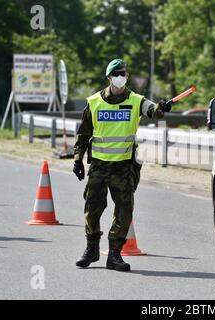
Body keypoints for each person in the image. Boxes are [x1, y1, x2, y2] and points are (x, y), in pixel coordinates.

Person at [73, 58, 167, 271]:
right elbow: (83, 134)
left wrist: (163, 107)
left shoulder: (136, 100)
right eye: (117, 73)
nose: (121, 77)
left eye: (124, 73)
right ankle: (91, 249)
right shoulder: (94, 102)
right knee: (92, 209)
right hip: (98, 167)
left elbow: (154, 111)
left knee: (124, 210)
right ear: (109, 77)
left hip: (124, 168)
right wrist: (77, 160)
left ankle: (114, 255)